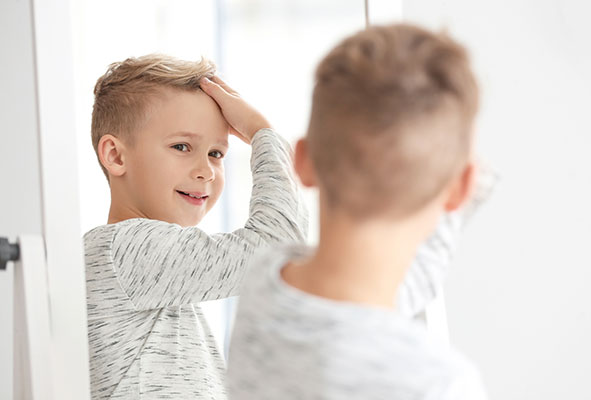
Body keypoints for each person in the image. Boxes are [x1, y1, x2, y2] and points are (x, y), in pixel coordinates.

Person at [226, 24, 493, 400]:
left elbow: (394, 290)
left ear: (302, 161)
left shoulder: (265, 281)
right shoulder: (436, 384)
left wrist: (261, 133)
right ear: (462, 188)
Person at [83, 54, 307, 399]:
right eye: (182, 146)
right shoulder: (128, 248)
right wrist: (262, 134)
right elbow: (278, 247)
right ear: (115, 156)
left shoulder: (143, 263)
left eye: (216, 153)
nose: (206, 170)